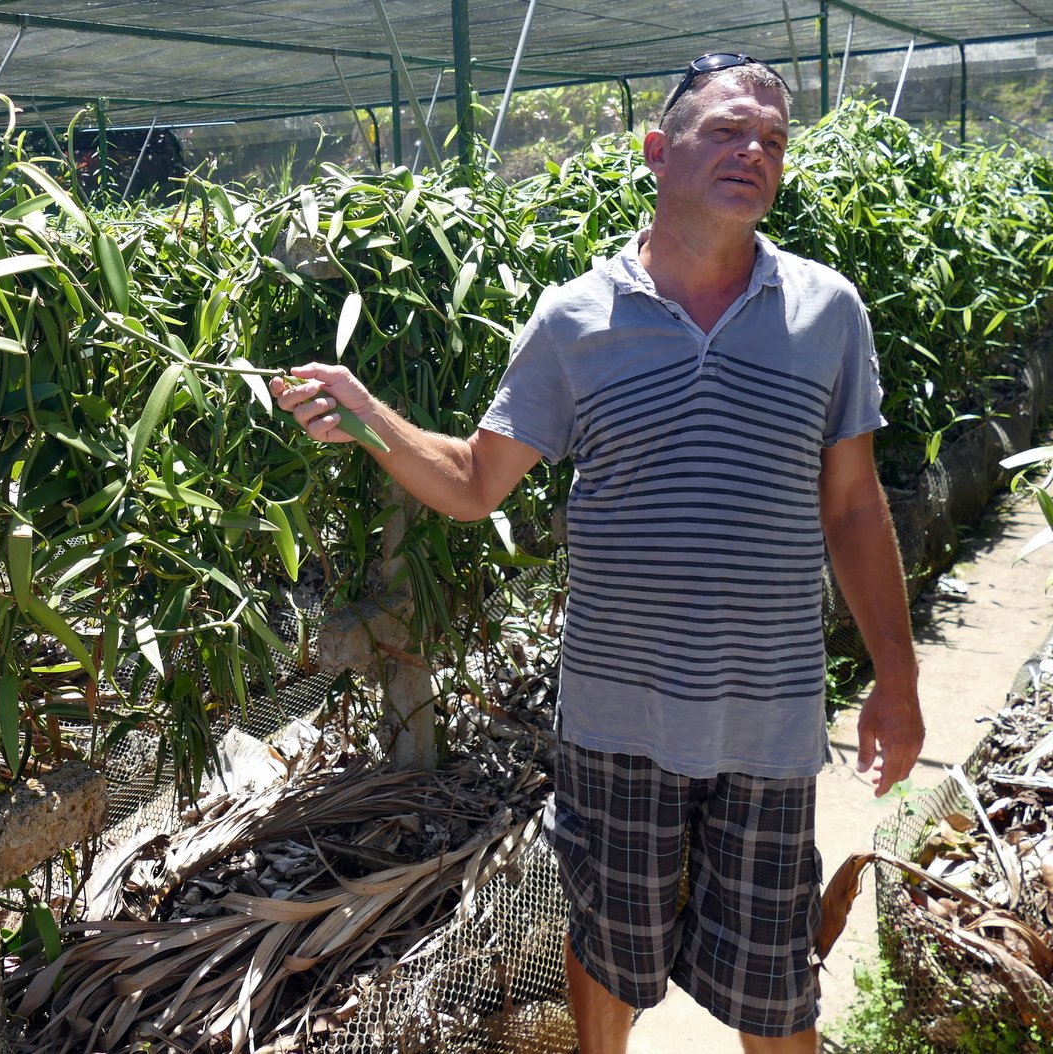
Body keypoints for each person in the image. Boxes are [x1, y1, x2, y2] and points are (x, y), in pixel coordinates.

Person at [271, 53, 924, 1053]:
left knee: (774, 979)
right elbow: (475, 480)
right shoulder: (575, 320)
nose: (752, 152)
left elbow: (852, 506)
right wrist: (365, 419)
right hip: (619, 720)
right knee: (608, 942)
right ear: (658, 152)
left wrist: (897, 677)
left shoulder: (825, 311)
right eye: (724, 132)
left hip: (772, 718)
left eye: (772, 141)